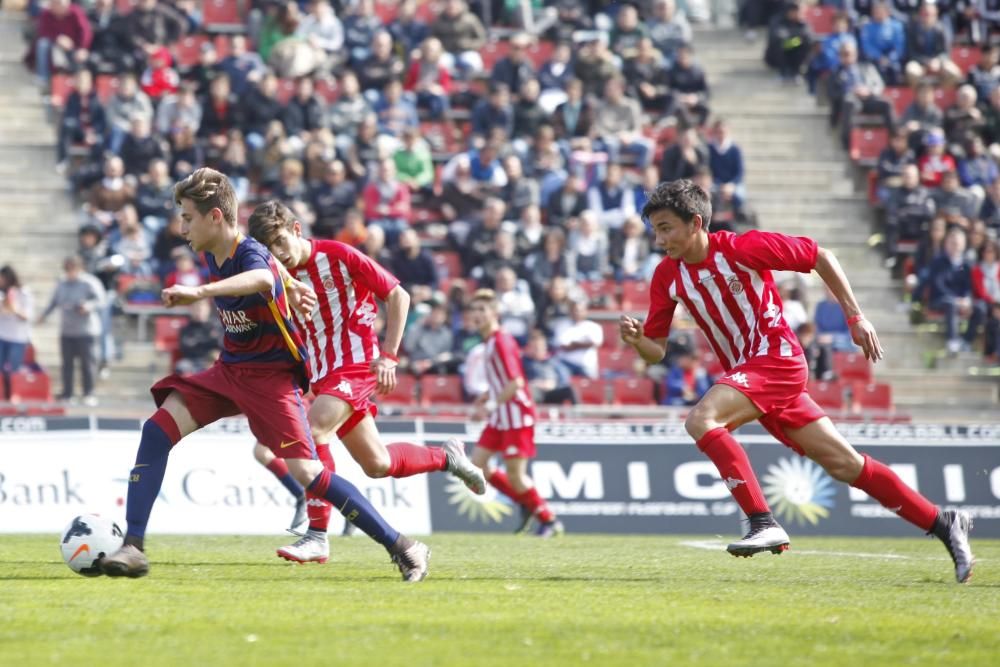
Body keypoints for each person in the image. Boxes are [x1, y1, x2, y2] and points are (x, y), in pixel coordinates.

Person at [619, 179, 974, 583]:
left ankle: (761, 520)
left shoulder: (741, 248)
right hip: (754, 375)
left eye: (666, 228)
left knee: (702, 420)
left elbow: (821, 256)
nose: (660, 239)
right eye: (655, 230)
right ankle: (944, 521)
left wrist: (855, 317)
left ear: (695, 223)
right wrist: (638, 342)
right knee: (846, 465)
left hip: (777, 359)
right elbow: (657, 350)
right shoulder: (667, 276)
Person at [98, 169, 431, 582]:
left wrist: (201, 293)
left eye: (187, 217)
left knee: (309, 475)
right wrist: (290, 281)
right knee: (157, 430)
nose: (181, 227)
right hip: (230, 370)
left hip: (272, 380)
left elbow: (259, 273)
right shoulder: (211, 249)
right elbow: (272, 269)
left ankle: (403, 546)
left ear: (215, 216)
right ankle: (133, 546)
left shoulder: (247, 252)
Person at [247, 200, 485, 564]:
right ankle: (447, 458)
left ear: (296, 230)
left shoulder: (339, 254)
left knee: (313, 431)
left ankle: (317, 535)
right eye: (270, 249)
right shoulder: (281, 279)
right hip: (325, 376)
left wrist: (388, 356)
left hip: (356, 365)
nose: (279, 253)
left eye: (281, 241)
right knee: (377, 464)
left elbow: (397, 295)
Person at [466, 289, 564, 538]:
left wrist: (488, 405)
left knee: (516, 476)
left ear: (495, 313)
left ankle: (550, 521)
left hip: (516, 416)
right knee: (476, 467)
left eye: (483, 310)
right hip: (500, 416)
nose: (477, 315)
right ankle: (526, 502)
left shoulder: (501, 341)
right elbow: (502, 380)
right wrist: (487, 395)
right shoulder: (488, 343)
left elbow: (516, 383)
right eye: (474, 310)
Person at [37, 256, 105, 406]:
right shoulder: (61, 283)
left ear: (80, 268)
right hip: (67, 331)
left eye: (73, 268)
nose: (70, 272)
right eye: (68, 269)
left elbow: (101, 300)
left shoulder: (89, 282)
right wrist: (43, 316)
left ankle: (89, 393)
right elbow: (53, 302)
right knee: (67, 364)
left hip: (87, 331)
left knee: (88, 364)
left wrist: (87, 307)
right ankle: (68, 393)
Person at [0, 266, 34, 399]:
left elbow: (27, 316)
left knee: (14, 370)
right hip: (2, 335)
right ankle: (4, 394)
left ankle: (15, 394)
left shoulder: (24, 293)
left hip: (17, 338)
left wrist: (14, 309)